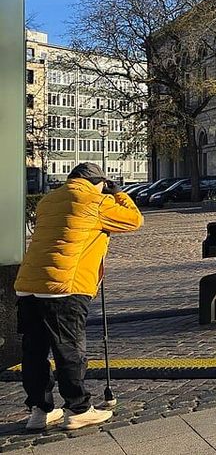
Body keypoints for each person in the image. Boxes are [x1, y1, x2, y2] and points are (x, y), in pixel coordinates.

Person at [15, 162, 143, 431]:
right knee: (68, 348)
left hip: (28, 283)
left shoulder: (48, 200)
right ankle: (77, 408)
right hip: (65, 285)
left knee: (34, 350)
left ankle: (39, 411)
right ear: (98, 182)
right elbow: (135, 220)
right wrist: (117, 193)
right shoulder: (95, 201)